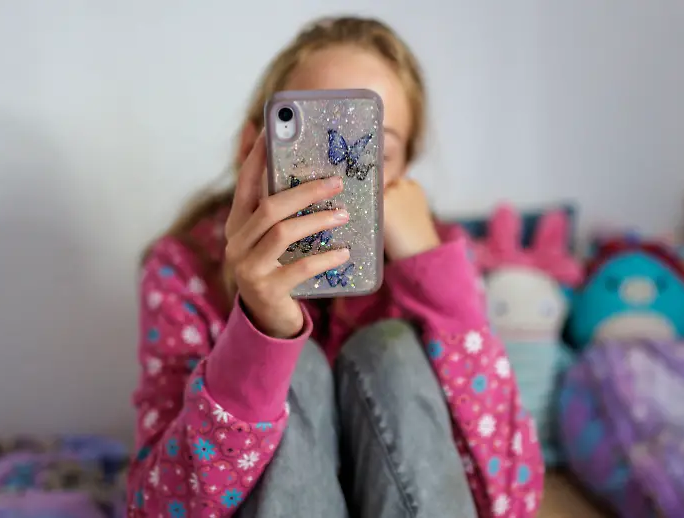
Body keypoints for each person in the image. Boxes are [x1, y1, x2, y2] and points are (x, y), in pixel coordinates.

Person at [127, 16, 543, 518]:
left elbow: (513, 500)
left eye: (372, 148)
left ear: (404, 172)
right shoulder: (184, 270)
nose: (338, 178)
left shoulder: (441, 256)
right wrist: (259, 336)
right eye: (312, 141)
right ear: (251, 150)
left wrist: (438, 281)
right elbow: (156, 509)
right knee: (293, 368)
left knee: (390, 350)